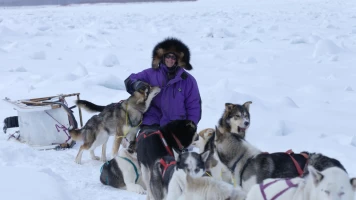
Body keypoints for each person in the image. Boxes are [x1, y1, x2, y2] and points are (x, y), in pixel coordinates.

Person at [124, 38, 202, 133]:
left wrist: (190, 126)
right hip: (152, 121)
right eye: (168, 56)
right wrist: (136, 84)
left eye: (173, 57)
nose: (170, 60)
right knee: (149, 143)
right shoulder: (151, 74)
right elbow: (130, 79)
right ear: (162, 57)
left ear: (178, 60)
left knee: (171, 147)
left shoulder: (188, 80)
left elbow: (194, 106)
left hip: (177, 125)